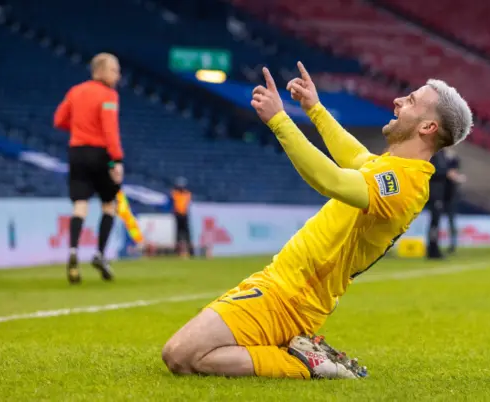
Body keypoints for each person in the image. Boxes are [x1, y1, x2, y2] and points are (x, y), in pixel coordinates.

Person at [162, 62, 473, 380]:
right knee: (183, 353)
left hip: (292, 297)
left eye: (410, 101)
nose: (398, 101)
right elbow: (353, 157)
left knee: (181, 356)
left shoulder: (405, 184)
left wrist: (279, 120)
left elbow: (333, 180)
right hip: (280, 282)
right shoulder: (395, 168)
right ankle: (300, 352)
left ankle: (305, 364)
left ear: (428, 128)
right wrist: (314, 108)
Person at [53, 53, 124, 284]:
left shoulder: (76, 91)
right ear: (100, 71)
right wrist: (116, 161)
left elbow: (59, 120)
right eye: (114, 70)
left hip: (76, 152)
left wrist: (79, 129)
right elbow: (110, 130)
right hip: (100, 153)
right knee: (108, 205)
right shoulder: (108, 95)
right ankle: (100, 254)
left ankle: (73, 251)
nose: (118, 75)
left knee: (80, 205)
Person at [443, 148, 465, 253]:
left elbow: (453, 172)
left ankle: (453, 245)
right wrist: (457, 178)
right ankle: (434, 245)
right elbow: (451, 174)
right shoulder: (439, 157)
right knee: (442, 220)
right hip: (441, 193)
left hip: (450, 194)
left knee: (451, 220)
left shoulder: (453, 157)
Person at [171, 177, 193, 258]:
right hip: (178, 214)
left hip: (184, 214)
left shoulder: (187, 194)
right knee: (178, 233)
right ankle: (177, 251)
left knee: (187, 233)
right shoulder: (174, 193)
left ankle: (190, 251)